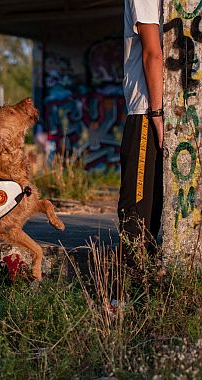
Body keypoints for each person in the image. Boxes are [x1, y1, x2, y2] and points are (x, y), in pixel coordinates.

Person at [118, 0, 164, 265]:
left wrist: (155, 113)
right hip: (160, 109)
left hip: (146, 111)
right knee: (152, 211)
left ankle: (126, 295)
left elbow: (152, 53)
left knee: (136, 215)